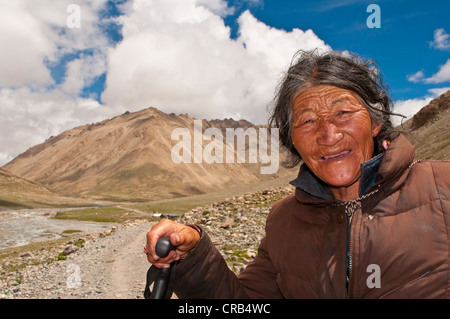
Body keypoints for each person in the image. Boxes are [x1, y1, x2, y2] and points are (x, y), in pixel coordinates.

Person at [144, 50, 449, 299]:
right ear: (293, 141)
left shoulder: (442, 189)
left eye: (343, 113)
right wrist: (195, 252)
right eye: (308, 121)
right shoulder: (283, 221)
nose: (328, 134)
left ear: (375, 122)